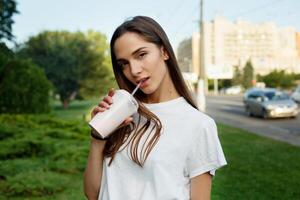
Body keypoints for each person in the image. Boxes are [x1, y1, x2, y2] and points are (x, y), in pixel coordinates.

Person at [84, 16, 227, 200]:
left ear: (164, 51)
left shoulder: (199, 125)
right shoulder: (121, 115)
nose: (134, 71)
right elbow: (93, 194)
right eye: (123, 64)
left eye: (141, 55)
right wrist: (98, 138)